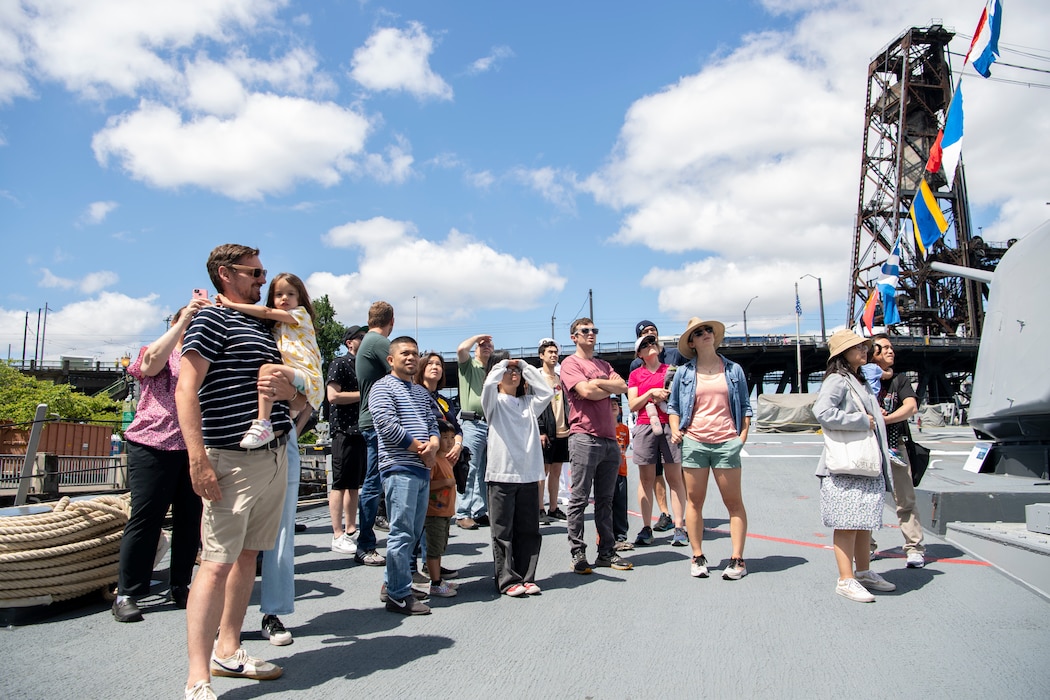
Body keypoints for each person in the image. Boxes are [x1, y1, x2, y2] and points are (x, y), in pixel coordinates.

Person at [177, 244, 309, 700]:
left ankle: (229, 650)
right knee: (214, 565)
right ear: (225, 274)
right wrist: (197, 458)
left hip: (273, 453)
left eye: (263, 271)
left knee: (249, 556)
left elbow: (287, 394)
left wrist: (289, 390)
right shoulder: (211, 318)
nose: (262, 280)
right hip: (230, 458)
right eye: (255, 272)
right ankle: (198, 676)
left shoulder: (258, 324)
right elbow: (186, 386)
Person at [112, 301, 207, 623]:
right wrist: (181, 324)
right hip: (153, 442)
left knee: (189, 519)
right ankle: (128, 592)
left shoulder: (205, 356)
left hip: (192, 446)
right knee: (146, 517)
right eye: (190, 319)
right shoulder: (156, 349)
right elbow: (150, 367)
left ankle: (180, 584)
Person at [813, 329, 897, 603]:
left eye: (865, 346)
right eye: (859, 347)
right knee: (847, 522)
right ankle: (846, 578)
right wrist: (863, 420)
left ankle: (862, 572)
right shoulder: (838, 379)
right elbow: (823, 412)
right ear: (842, 354)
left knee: (862, 523)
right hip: (846, 465)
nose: (865, 350)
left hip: (861, 463)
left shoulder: (857, 379)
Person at [667, 317, 752, 581]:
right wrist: (674, 429)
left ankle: (737, 558)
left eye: (708, 330)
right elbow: (674, 407)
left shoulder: (733, 370)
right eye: (699, 332)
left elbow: (746, 407)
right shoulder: (684, 373)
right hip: (695, 441)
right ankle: (697, 555)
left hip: (727, 441)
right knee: (695, 501)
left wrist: (742, 437)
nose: (706, 334)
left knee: (733, 502)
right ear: (691, 342)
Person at [369, 336, 440, 615]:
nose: (411, 358)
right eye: (404, 353)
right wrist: (419, 448)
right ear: (391, 359)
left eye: (415, 353)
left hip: (422, 469)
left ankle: (393, 584)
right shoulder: (381, 387)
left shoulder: (421, 393)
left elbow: (433, 422)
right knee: (401, 533)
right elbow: (386, 425)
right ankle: (399, 595)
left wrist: (433, 444)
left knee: (411, 533)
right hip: (399, 468)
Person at [216, 273, 323, 450]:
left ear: (300, 298)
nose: (284, 298)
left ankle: (262, 423)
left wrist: (230, 304)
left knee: (267, 370)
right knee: (287, 418)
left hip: (306, 374)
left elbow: (265, 311)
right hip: (296, 377)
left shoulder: (300, 314)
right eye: (279, 294)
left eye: (291, 294)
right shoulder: (278, 325)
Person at [561, 318, 633, 574]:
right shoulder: (569, 363)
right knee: (579, 498)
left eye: (594, 331)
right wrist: (603, 385)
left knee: (606, 500)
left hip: (608, 439)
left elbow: (623, 386)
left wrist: (596, 384)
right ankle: (578, 552)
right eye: (585, 331)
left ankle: (606, 552)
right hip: (584, 437)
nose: (591, 334)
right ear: (574, 337)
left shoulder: (604, 364)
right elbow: (586, 392)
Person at [482, 357, 553, 596]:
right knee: (502, 531)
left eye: (516, 372)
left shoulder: (529, 403)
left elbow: (546, 391)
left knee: (529, 530)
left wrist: (524, 366)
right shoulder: (493, 402)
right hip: (501, 474)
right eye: (509, 371)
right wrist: (501, 364)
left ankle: (527, 576)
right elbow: (488, 385)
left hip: (529, 475)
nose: (513, 374)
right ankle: (506, 579)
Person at [870, 333, 925, 567]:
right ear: (873, 354)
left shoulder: (900, 380)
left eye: (891, 347)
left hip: (895, 445)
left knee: (905, 499)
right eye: (884, 348)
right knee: (868, 499)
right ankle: (866, 547)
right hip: (869, 447)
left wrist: (886, 419)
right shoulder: (863, 380)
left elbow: (910, 407)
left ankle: (914, 548)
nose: (890, 351)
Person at [629, 333, 688, 548]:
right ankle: (646, 527)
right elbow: (633, 404)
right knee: (646, 479)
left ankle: (680, 526)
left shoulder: (672, 371)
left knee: (675, 478)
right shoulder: (636, 375)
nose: (650, 345)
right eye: (644, 344)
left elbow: (682, 399)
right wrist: (651, 393)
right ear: (639, 353)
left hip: (670, 424)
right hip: (646, 425)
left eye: (652, 342)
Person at [354, 302, 396, 568]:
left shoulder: (366, 341)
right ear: (392, 320)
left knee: (375, 481)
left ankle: (368, 540)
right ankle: (366, 543)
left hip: (371, 421)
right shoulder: (379, 342)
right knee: (374, 482)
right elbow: (403, 371)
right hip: (378, 422)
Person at [416, 351, 464, 581]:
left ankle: (432, 561)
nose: (436, 367)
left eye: (439, 364)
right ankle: (421, 565)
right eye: (431, 363)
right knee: (428, 514)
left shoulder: (443, 399)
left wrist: (458, 444)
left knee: (440, 515)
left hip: (447, 458)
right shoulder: (416, 394)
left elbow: (456, 426)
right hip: (427, 459)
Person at [326, 324, 367, 556]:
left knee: (353, 484)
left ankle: (351, 529)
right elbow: (333, 395)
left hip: (359, 430)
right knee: (340, 483)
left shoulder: (363, 366)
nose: (364, 339)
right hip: (343, 429)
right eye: (360, 337)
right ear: (349, 342)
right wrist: (364, 395)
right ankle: (337, 533)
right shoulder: (339, 363)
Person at [456, 333, 495, 530]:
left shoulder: (494, 371)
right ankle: (463, 513)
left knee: (485, 471)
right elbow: (461, 349)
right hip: (472, 423)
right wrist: (478, 336)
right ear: (476, 349)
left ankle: (479, 511)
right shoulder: (469, 365)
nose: (486, 347)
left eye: (489, 344)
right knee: (469, 469)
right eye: (482, 345)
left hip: (490, 424)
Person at [425, 420, 460, 598]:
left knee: (440, 546)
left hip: (445, 511)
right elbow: (427, 485)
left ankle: (438, 578)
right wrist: (445, 483)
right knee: (434, 547)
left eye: (452, 438)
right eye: (444, 437)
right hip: (434, 512)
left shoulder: (446, 460)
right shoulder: (434, 461)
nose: (449, 441)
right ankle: (435, 582)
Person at [536, 337, 570, 521]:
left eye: (555, 352)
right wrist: (541, 430)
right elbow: (536, 407)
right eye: (549, 352)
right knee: (543, 471)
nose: (554, 355)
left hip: (562, 429)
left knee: (557, 471)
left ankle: (554, 507)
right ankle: (540, 508)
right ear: (541, 355)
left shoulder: (560, 378)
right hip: (546, 431)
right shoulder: (537, 378)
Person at [611, 398, 634, 551]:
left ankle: (621, 536)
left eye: (616, 405)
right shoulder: (604, 428)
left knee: (620, 504)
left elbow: (625, 446)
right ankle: (608, 537)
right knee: (608, 505)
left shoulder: (624, 429)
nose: (613, 407)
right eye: (610, 405)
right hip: (608, 473)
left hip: (621, 471)